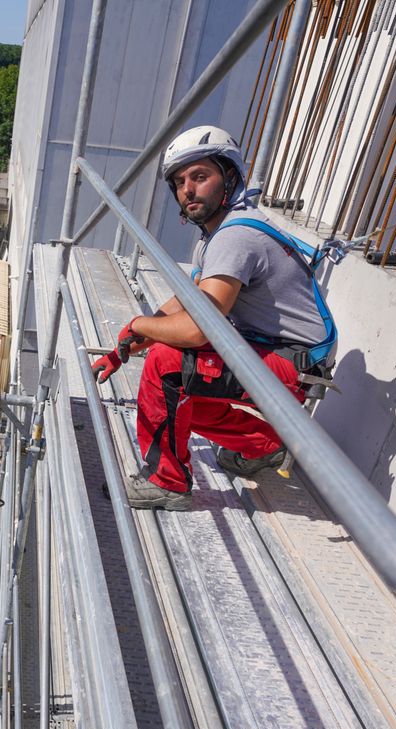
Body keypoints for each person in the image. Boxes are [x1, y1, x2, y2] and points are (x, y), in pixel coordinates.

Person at [91, 125, 333, 511]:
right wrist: (126, 342)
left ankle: (166, 481)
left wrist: (142, 328)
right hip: (290, 358)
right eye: (179, 182)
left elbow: (197, 329)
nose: (187, 189)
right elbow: (189, 300)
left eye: (200, 176)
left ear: (230, 177)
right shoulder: (220, 234)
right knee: (182, 402)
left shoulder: (234, 239)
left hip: (289, 365)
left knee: (168, 365)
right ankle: (264, 447)